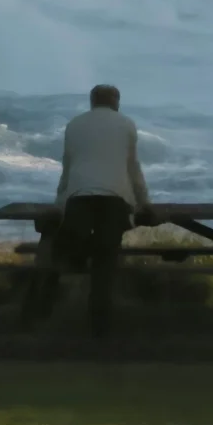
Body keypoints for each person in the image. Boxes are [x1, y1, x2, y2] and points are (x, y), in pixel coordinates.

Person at [54, 84, 153, 338]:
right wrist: (144, 201)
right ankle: (100, 322)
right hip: (115, 198)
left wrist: (59, 203)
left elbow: (68, 166)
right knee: (106, 258)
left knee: (75, 244)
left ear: (92, 102)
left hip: (78, 197)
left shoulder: (74, 125)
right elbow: (132, 167)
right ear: (116, 102)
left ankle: (56, 304)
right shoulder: (126, 124)